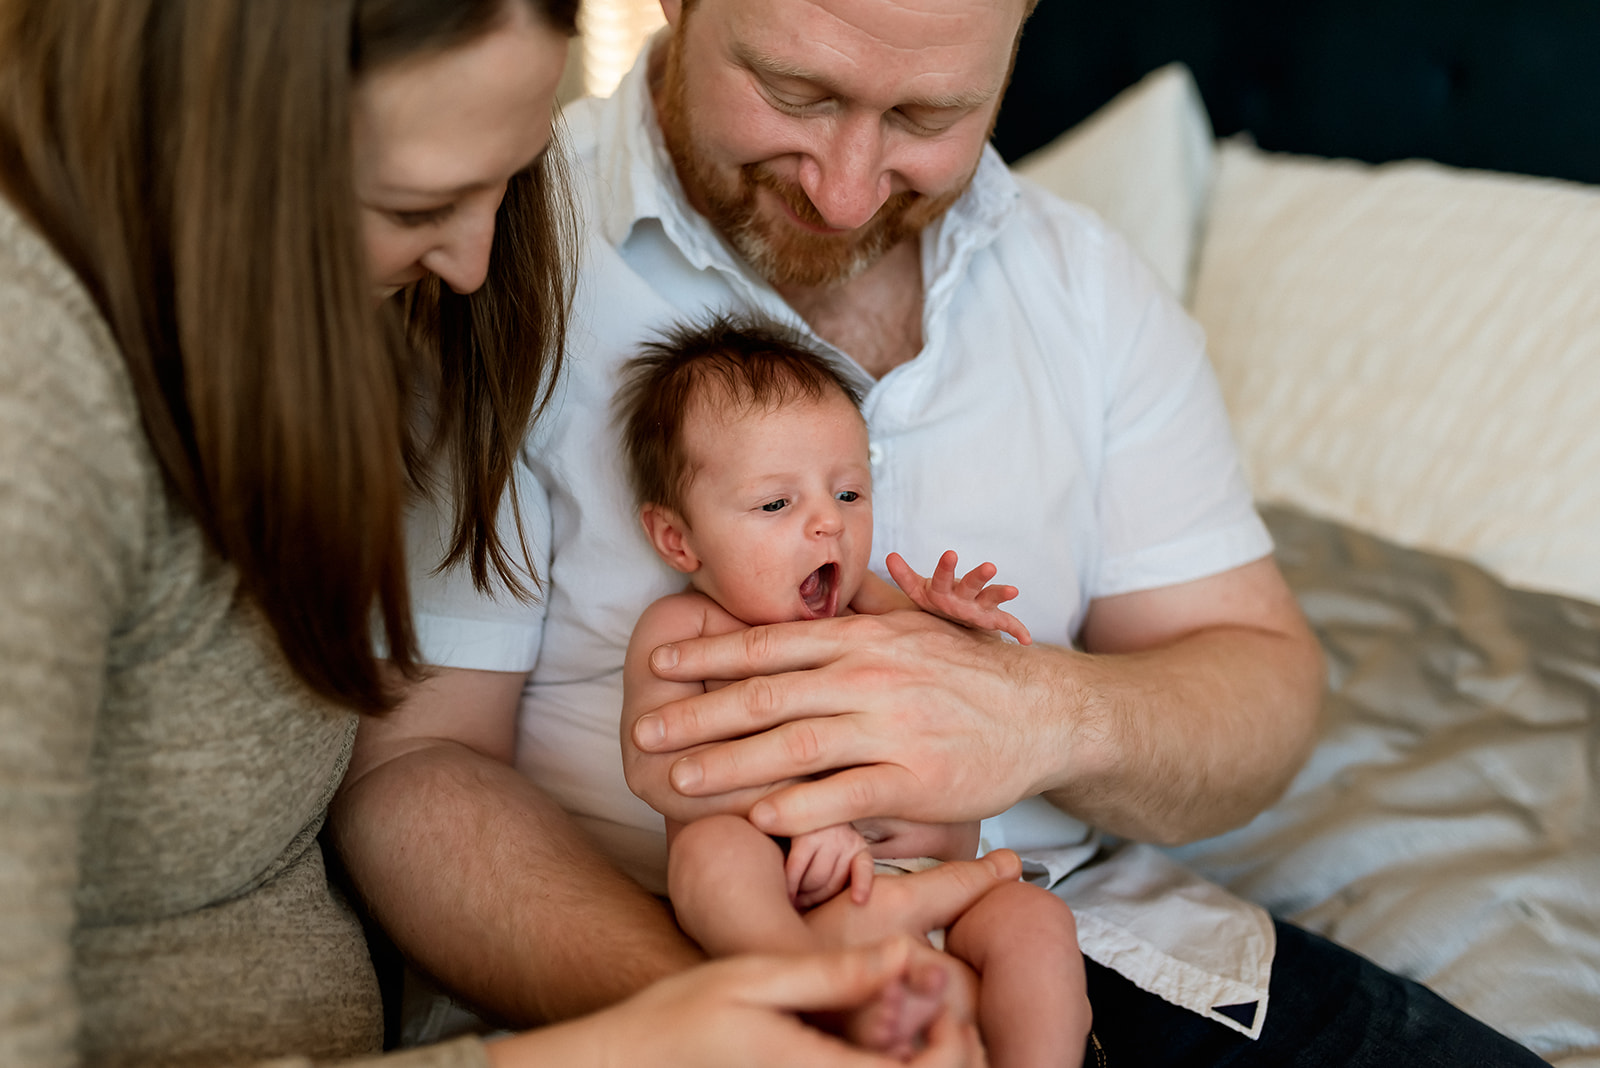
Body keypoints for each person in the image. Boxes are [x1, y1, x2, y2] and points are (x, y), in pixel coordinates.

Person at [365, 0, 1548, 1063]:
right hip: (648, 969)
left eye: (930, 113)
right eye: (794, 92)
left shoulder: (1084, 287)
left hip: (1089, 934)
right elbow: (414, 775)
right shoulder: (484, 257)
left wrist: (1042, 715)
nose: (844, 187)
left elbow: (1263, 683)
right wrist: (780, 1021)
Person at [0, 1, 989, 1065]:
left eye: (513, 176)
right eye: (415, 202)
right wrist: (640, 1044)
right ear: (215, 129)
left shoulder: (362, 294)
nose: (471, 263)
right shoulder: (35, 391)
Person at [614, 317, 1089, 1065]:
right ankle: (807, 985)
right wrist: (798, 815)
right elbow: (657, 770)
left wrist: (962, 628)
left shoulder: (869, 598)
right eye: (776, 505)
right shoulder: (683, 630)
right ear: (679, 540)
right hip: (788, 895)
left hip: (939, 883)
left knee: (1038, 924)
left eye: (847, 493)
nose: (826, 525)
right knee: (711, 855)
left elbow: (965, 699)